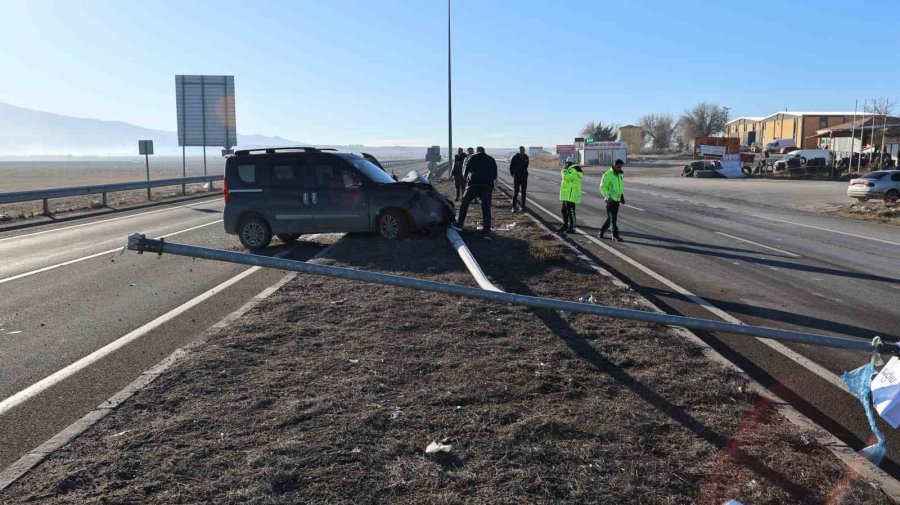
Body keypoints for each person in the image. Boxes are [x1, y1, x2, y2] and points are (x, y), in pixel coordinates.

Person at [452, 146, 497, 240]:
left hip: (473, 185)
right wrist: (489, 182)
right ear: (484, 151)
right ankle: (487, 233)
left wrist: (466, 181)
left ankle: (460, 224)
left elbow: (465, 170)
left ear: (476, 151)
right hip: (487, 186)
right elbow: (494, 174)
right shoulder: (491, 159)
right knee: (486, 209)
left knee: (464, 203)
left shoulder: (472, 157)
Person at [599, 159, 626, 241]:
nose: (619, 168)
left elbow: (620, 187)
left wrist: (622, 196)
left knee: (611, 218)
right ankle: (615, 235)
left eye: (621, 167)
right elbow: (602, 187)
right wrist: (608, 196)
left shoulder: (620, 174)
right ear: (614, 165)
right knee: (613, 219)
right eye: (618, 167)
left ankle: (601, 232)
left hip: (617, 200)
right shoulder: (607, 174)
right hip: (610, 201)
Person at [558, 156, 583, 234]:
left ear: (570, 163)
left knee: (571, 212)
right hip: (567, 194)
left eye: (567, 163)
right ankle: (565, 225)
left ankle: (572, 228)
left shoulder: (574, 170)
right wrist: (564, 170)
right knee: (564, 211)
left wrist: (563, 170)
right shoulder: (570, 169)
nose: (566, 164)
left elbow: (566, 177)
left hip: (571, 194)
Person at [509, 146, 529, 212]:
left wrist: (525, 174)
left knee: (524, 192)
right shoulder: (515, 157)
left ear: (524, 150)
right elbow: (511, 167)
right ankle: (513, 207)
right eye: (521, 150)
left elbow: (526, 166)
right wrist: (514, 175)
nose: (522, 151)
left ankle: (523, 206)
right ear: (519, 150)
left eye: (523, 150)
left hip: (524, 178)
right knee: (516, 192)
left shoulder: (526, 157)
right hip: (517, 178)